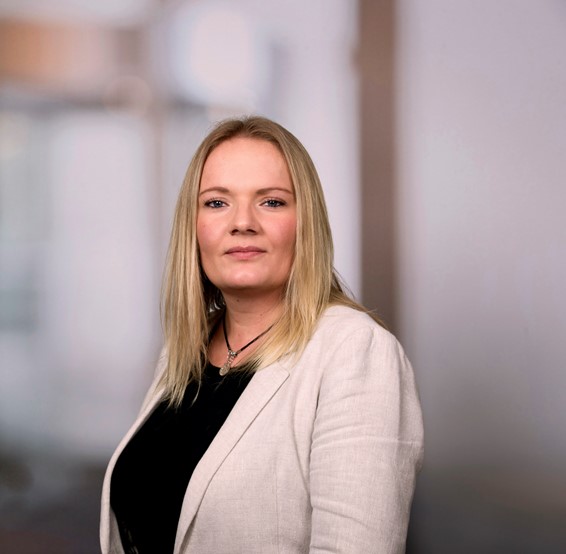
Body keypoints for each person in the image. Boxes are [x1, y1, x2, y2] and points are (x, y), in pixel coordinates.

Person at [100, 116, 424, 554]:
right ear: (193, 226)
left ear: (305, 222)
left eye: (271, 202)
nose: (242, 223)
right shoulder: (186, 352)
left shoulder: (355, 352)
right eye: (217, 202)